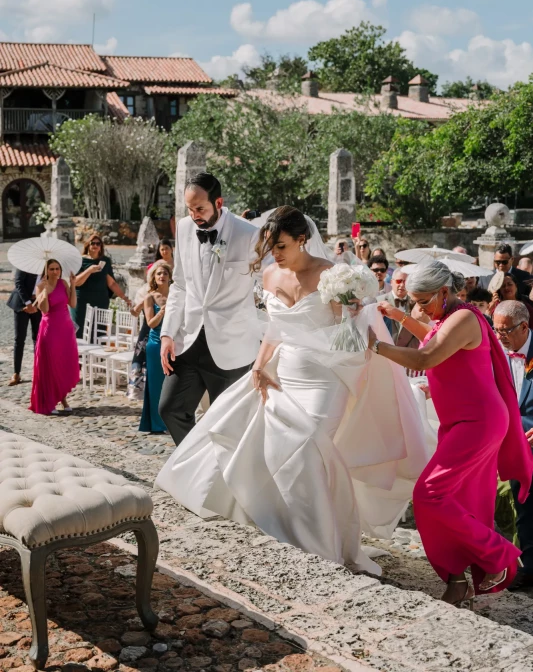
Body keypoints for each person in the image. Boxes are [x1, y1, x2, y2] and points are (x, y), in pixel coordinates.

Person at [156, 206, 429, 570]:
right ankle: (289, 525)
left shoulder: (333, 275)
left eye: (281, 246)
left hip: (327, 378)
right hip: (285, 373)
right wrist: (259, 366)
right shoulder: (270, 274)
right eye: (271, 247)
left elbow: (350, 334)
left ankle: (318, 537)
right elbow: (275, 329)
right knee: (274, 447)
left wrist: (352, 312)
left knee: (308, 447)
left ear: (302, 239)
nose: (275, 254)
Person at [372, 261, 532, 604]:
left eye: (424, 301)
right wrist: (399, 317)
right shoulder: (449, 318)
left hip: (478, 423)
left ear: (444, 292)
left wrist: (376, 347)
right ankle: (457, 579)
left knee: (428, 495)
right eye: (414, 302)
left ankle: (500, 554)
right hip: (460, 421)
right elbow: (430, 337)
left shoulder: (464, 319)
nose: (420, 309)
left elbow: (425, 358)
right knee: (459, 502)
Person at [158, 172, 260, 446]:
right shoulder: (183, 228)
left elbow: (267, 284)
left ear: (219, 202)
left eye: (200, 209)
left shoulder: (248, 233)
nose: (194, 216)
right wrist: (167, 333)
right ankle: (196, 463)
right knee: (170, 409)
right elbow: (180, 284)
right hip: (189, 340)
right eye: (189, 209)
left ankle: (219, 471)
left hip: (232, 346)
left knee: (226, 427)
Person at [493, 300, 533, 589]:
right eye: (496, 330)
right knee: (524, 503)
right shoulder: (495, 352)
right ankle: (528, 567)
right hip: (513, 442)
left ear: (524, 327)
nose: (500, 336)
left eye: (505, 330)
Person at [30, 260, 80, 416]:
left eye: (57, 269)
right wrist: (45, 292)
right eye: (51, 269)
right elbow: (44, 310)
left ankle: (63, 399)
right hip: (50, 328)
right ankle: (49, 401)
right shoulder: (40, 286)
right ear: (46, 270)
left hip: (66, 328)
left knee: (64, 364)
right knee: (51, 364)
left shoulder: (63, 283)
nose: (55, 272)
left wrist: (73, 284)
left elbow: (72, 304)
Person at [71, 234, 131, 337]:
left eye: (98, 244)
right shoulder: (79, 260)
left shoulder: (105, 261)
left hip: (100, 300)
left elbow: (111, 283)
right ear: (87, 245)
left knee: (99, 331)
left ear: (101, 246)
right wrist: (89, 271)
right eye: (93, 243)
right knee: (79, 329)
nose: (95, 245)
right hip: (81, 300)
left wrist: (124, 298)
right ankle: (78, 348)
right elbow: (76, 282)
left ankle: (97, 347)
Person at [139, 262, 172, 434]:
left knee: (173, 384)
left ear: (169, 276)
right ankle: (157, 424)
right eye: (159, 273)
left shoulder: (176, 295)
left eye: (165, 273)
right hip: (155, 344)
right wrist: (162, 311)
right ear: (154, 277)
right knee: (156, 384)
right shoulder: (150, 298)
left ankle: (173, 420)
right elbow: (151, 323)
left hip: (174, 343)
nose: (162, 276)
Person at [7, 268, 41, 386]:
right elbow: (19, 283)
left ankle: (38, 371)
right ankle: (16, 373)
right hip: (22, 303)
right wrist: (28, 303)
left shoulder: (47, 266)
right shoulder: (26, 264)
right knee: (19, 339)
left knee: (38, 339)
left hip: (38, 304)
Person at [377, 269, 418, 349]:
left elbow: (418, 330)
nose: (402, 285)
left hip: (408, 352)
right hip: (384, 350)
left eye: (405, 282)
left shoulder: (416, 303)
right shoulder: (379, 301)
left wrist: (408, 351)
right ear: (391, 282)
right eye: (399, 281)